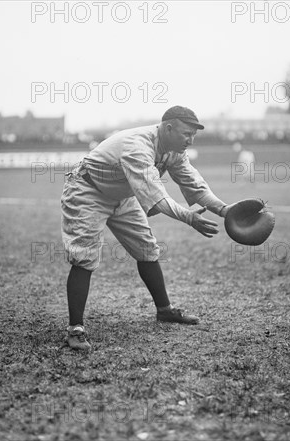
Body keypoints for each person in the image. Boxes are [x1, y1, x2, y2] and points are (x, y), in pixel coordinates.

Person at [61, 106, 231, 350]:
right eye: (186, 133)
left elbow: (195, 185)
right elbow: (157, 197)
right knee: (85, 256)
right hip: (88, 190)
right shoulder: (138, 146)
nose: (190, 140)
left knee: (147, 249)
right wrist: (189, 217)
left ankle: (165, 310)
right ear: (168, 128)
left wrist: (226, 211)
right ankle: (75, 329)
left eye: (193, 135)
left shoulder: (174, 150)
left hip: (121, 195)